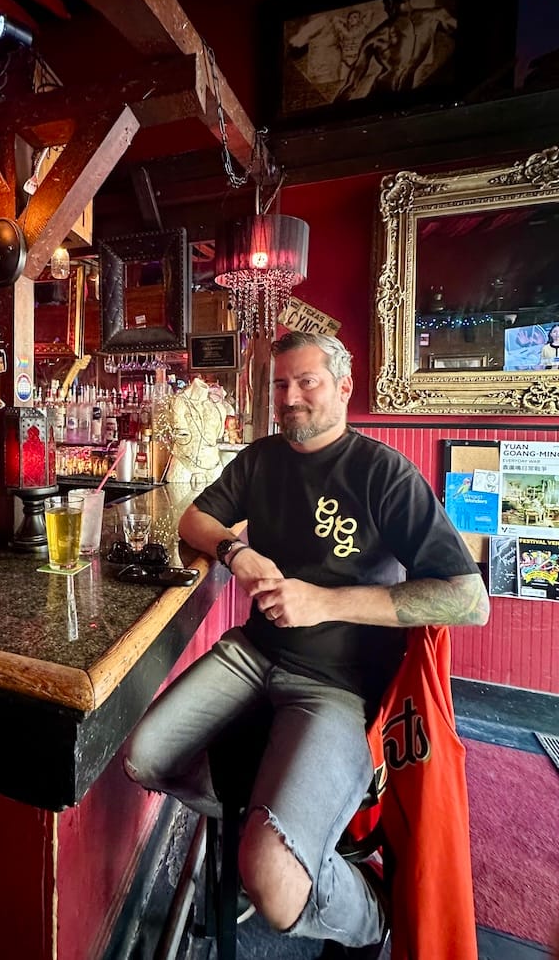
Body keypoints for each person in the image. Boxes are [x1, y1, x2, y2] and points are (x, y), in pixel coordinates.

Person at [124, 330, 489, 958]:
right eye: (281, 385)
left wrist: (325, 601)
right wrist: (236, 551)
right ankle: (265, 824)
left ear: (343, 386)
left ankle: (370, 912)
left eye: (307, 382)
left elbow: (468, 599)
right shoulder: (262, 458)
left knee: (269, 875)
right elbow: (193, 518)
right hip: (252, 653)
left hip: (337, 688)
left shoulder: (383, 472)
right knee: (143, 758)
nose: (290, 397)